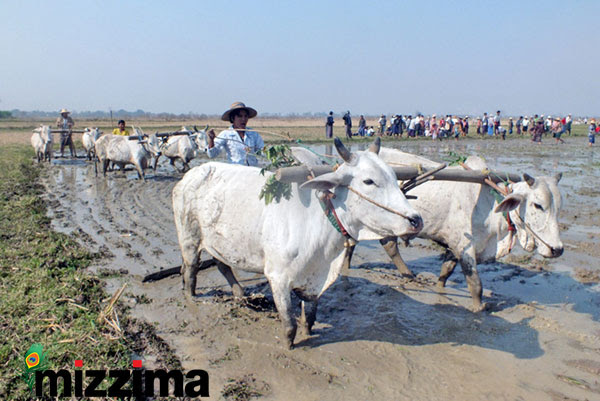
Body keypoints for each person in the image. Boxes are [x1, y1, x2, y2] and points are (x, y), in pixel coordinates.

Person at [206, 101, 264, 166]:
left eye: (245, 116)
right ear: (232, 118)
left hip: (252, 171)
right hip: (236, 172)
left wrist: (273, 151)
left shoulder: (253, 134)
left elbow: (262, 151)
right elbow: (212, 155)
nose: (243, 119)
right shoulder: (226, 134)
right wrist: (211, 140)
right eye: (240, 116)